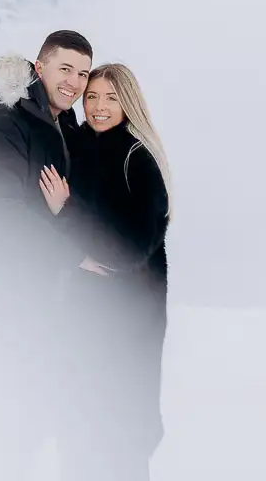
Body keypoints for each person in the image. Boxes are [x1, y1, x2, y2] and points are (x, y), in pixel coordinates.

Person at [0, 29, 93, 479]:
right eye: (65, 68)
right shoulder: (6, 123)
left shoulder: (56, 123)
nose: (75, 82)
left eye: (82, 73)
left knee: (35, 424)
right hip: (7, 300)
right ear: (39, 66)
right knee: (4, 427)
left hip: (42, 301)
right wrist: (72, 254)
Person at [39, 63, 172, 480]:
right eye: (92, 96)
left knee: (118, 443)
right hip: (83, 323)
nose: (98, 107)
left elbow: (128, 249)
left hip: (126, 329)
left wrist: (68, 211)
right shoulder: (77, 146)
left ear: (129, 104)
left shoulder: (137, 159)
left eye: (111, 98)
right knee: (77, 439)